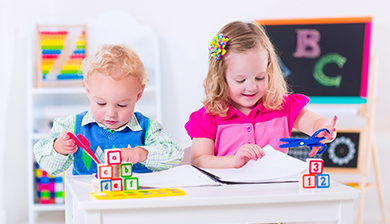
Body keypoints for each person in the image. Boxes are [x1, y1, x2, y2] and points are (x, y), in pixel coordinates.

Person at [185, 21, 337, 169]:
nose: (251, 87)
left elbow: (318, 123)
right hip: (227, 194)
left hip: (275, 193)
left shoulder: (282, 106)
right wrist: (232, 161)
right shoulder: (208, 116)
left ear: (269, 71)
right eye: (240, 80)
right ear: (221, 77)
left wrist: (325, 130)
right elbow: (198, 160)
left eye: (260, 78)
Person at [34, 44, 183, 175]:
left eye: (122, 105)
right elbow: (50, 166)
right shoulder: (72, 127)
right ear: (88, 90)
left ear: (138, 94)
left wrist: (141, 153)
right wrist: (59, 147)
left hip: (135, 201)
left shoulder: (147, 129)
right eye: (101, 103)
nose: (111, 113)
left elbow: (174, 155)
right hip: (89, 200)